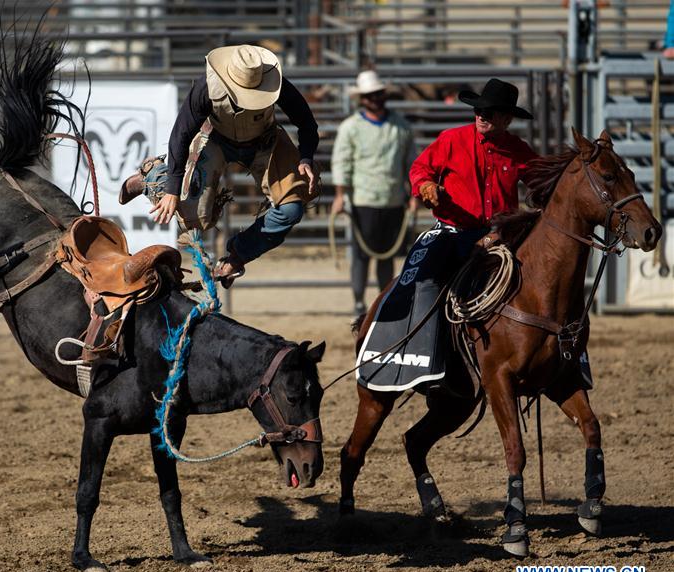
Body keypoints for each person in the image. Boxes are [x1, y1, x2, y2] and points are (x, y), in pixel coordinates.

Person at [356, 78, 539, 392]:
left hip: (501, 236)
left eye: (490, 112)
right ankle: (418, 354)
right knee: (423, 281)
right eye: (479, 110)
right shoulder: (452, 140)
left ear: (506, 119)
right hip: (454, 232)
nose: (481, 115)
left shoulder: (518, 151)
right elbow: (420, 170)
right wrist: (426, 187)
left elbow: (541, 181)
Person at [119, 44, 319, 286]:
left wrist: (306, 158)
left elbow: (307, 123)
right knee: (195, 217)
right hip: (216, 139)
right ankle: (154, 177)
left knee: (291, 209)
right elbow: (181, 134)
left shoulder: (277, 84)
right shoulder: (206, 88)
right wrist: (172, 190)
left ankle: (238, 255)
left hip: (264, 142)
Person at [330, 70, 417, 316]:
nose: (375, 99)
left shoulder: (401, 126)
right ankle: (358, 302)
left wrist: (413, 195)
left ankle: (383, 298)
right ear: (362, 99)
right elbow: (342, 162)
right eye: (370, 96)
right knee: (361, 255)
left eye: (378, 94)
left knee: (386, 255)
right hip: (363, 200)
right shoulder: (351, 128)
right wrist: (340, 195)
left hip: (393, 200)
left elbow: (410, 162)